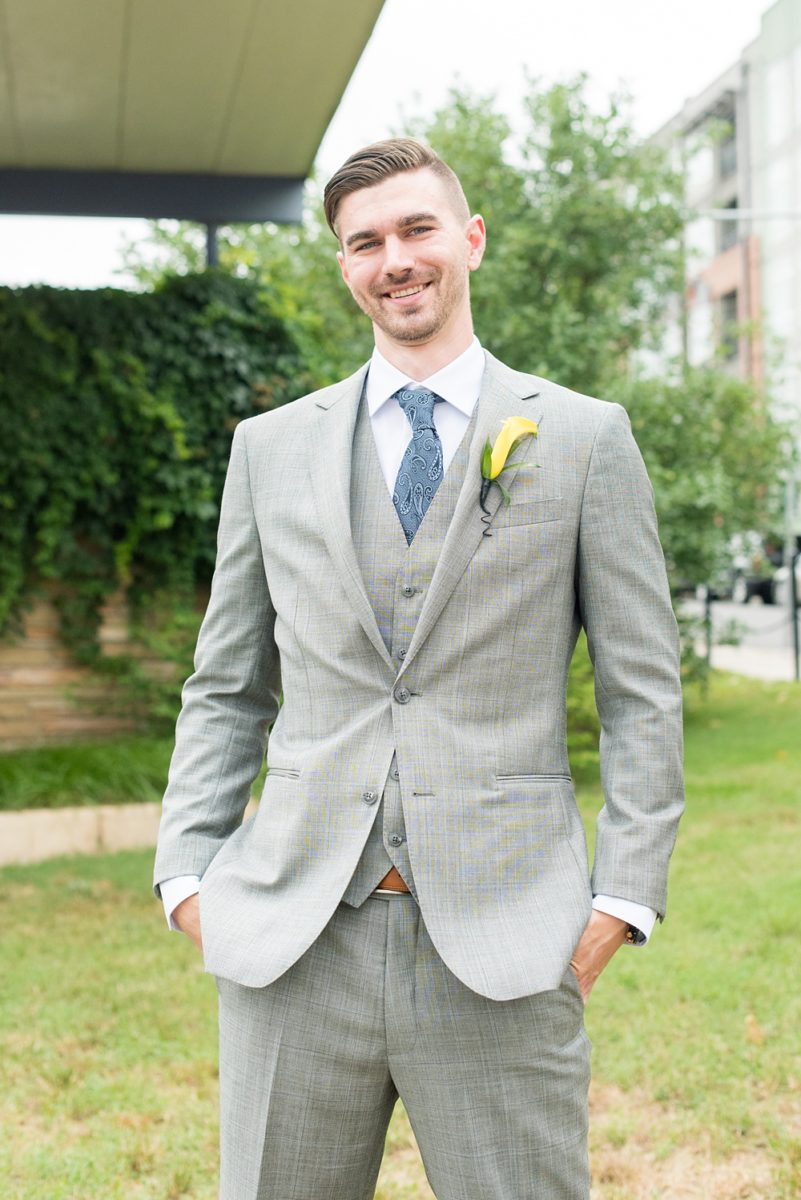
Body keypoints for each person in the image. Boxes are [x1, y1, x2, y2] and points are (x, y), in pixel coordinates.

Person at [154, 138, 684, 1200]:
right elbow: (226, 682)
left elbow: (642, 688)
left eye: (416, 230)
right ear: (347, 266)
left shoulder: (582, 439)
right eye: (366, 242)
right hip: (292, 941)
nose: (395, 259)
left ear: (470, 239)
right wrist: (187, 873)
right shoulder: (268, 448)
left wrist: (620, 900)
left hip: (506, 943)